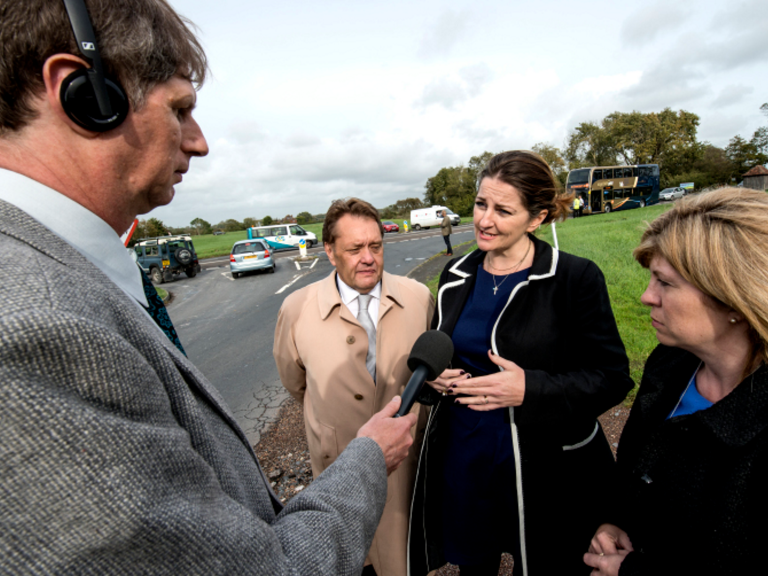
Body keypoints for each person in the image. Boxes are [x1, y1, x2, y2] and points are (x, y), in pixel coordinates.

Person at [0, 1, 417, 573]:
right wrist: (368, 457)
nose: (199, 142)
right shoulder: (33, 327)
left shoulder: (63, 271)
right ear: (83, 94)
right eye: (179, 109)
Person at [408, 150, 634, 576]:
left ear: (537, 218)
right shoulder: (455, 275)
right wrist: (434, 380)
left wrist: (530, 389)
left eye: (503, 210)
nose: (484, 220)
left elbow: (612, 378)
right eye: (481, 204)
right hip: (467, 458)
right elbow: (440, 352)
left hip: (545, 466)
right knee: (474, 566)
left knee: (544, 564)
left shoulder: (575, 278)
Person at [584, 188, 768, 576]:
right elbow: (635, 467)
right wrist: (615, 519)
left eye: (665, 283)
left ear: (733, 297)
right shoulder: (670, 363)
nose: (646, 296)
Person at [274, 197, 434, 576]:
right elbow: (296, 384)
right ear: (330, 251)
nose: (368, 258)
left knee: (404, 560)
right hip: (338, 475)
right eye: (354, 248)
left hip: (406, 478)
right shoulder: (296, 309)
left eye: (376, 246)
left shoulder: (418, 298)